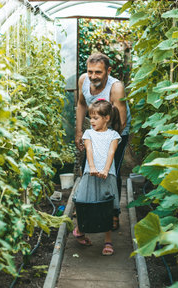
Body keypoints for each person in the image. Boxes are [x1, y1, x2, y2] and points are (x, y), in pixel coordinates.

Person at [75, 53, 131, 230]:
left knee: (111, 169)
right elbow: (81, 104)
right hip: (95, 131)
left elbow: (121, 122)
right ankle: (89, 202)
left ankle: (113, 213)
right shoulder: (83, 80)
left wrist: (107, 143)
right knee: (88, 166)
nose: (92, 76)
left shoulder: (116, 88)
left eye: (98, 72)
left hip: (115, 133)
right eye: (90, 71)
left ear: (108, 70)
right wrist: (79, 132)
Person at [72, 99, 122, 256]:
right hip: (90, 174)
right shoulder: (88, 134)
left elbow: (111, 153)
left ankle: (108, 242)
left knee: (106, 207)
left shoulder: (113, 135)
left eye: (95, 118)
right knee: (85, 202)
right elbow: (89, 151)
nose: (91, 121)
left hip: (107, 175)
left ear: (106, 118)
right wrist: (92, 168)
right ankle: (80, 230)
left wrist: (106, 170)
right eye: (90, 117)